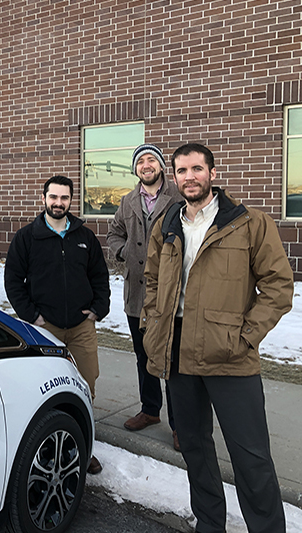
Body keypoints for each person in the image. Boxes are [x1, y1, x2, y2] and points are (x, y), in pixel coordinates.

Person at [141, 143, 292, 533]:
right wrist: (152, 324)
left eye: (196, 168)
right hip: (177, 354)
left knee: (251, 457)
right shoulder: (167, 223)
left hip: (231, 358)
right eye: (181, 170)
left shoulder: (249, 223)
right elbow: (153, 281)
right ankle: (209, 524)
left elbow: (278, 286)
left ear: (211, 172)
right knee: (195, 450)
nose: (189, 176)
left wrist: (246, 337)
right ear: (173, 177)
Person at [5, 175, 110, 475]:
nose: (58, 203)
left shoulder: (85, 237)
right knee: (46, 391)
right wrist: (32, 316)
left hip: (81, 328)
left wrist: (97, 310)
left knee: (86, 385)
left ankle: (84, 447)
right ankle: (49, 446)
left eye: (64, 198)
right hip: (44, 328)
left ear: (70, 201)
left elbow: (99, 277)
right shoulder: (27, 237)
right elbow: (13, 280)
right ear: (44, 198)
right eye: (53, 197)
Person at [107, 144, 184, 451]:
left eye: (151, 160)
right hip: (137, 293)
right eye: (141, 161)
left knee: (172, 361)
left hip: (171, 295)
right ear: (136, 169)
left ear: (162, 167)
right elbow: (114, 234)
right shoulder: (127, 201)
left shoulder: (179, 198)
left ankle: (180, 425)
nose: (146, 165)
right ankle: (150, 410)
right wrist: (124, 252)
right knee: (144, 357)